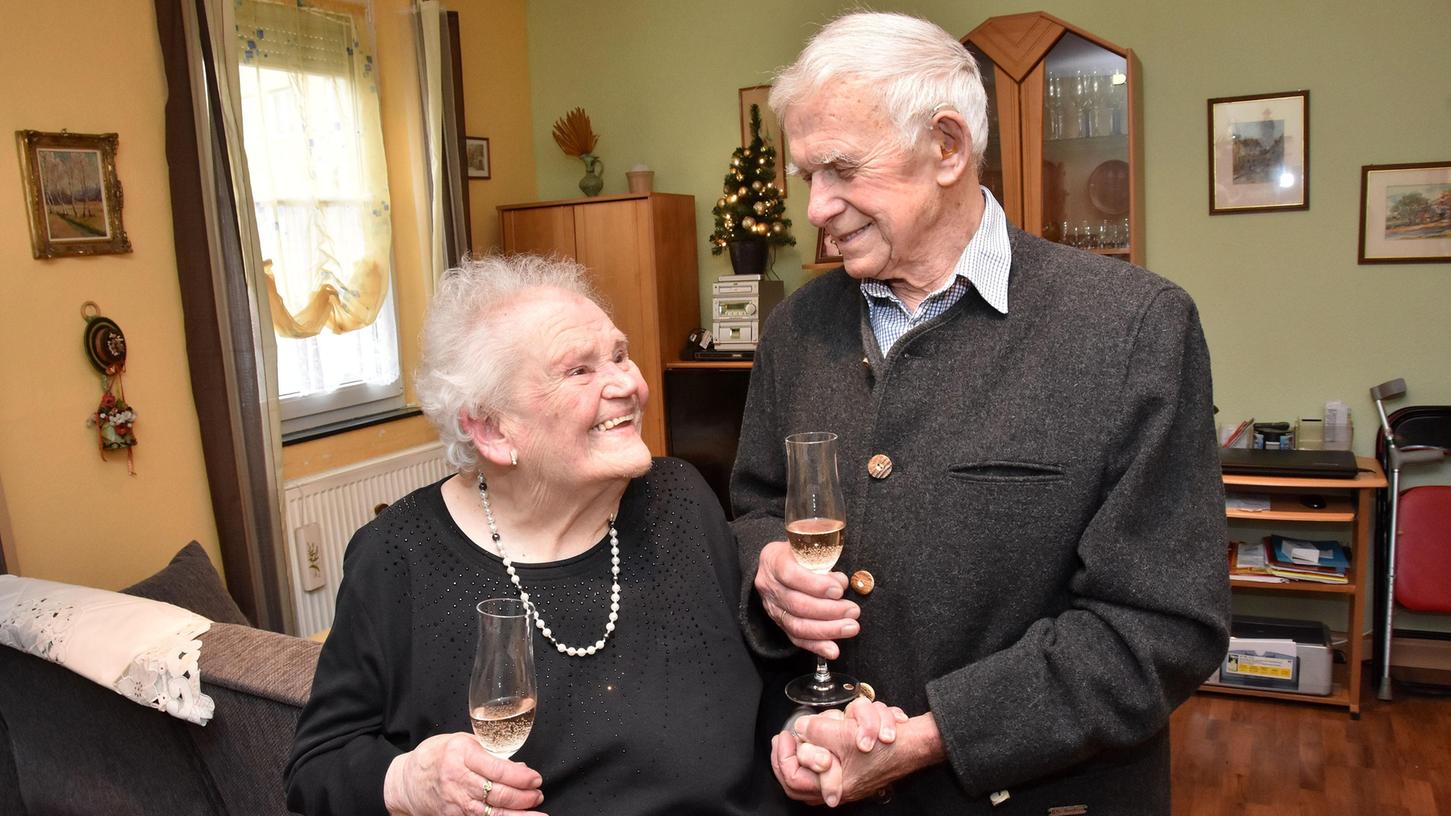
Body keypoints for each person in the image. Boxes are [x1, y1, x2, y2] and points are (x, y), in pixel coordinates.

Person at [730, 12, 1231, 814]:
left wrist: (930, 737)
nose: (817, 208)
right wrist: (767, 568)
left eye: (840, 169)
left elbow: (1161, 625)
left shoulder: (1133, 327)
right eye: (806, 177)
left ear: (948, 148)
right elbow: (755, 503)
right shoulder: (797, 327)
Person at [285, 254, 793, 816]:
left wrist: (806, 726)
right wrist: (408, 781)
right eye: (580, 370)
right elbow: (317, 768)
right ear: (490, 428)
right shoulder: (396, 557)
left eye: (620, 355)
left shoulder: (681, 499)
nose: (628, 383)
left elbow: (766, 685)